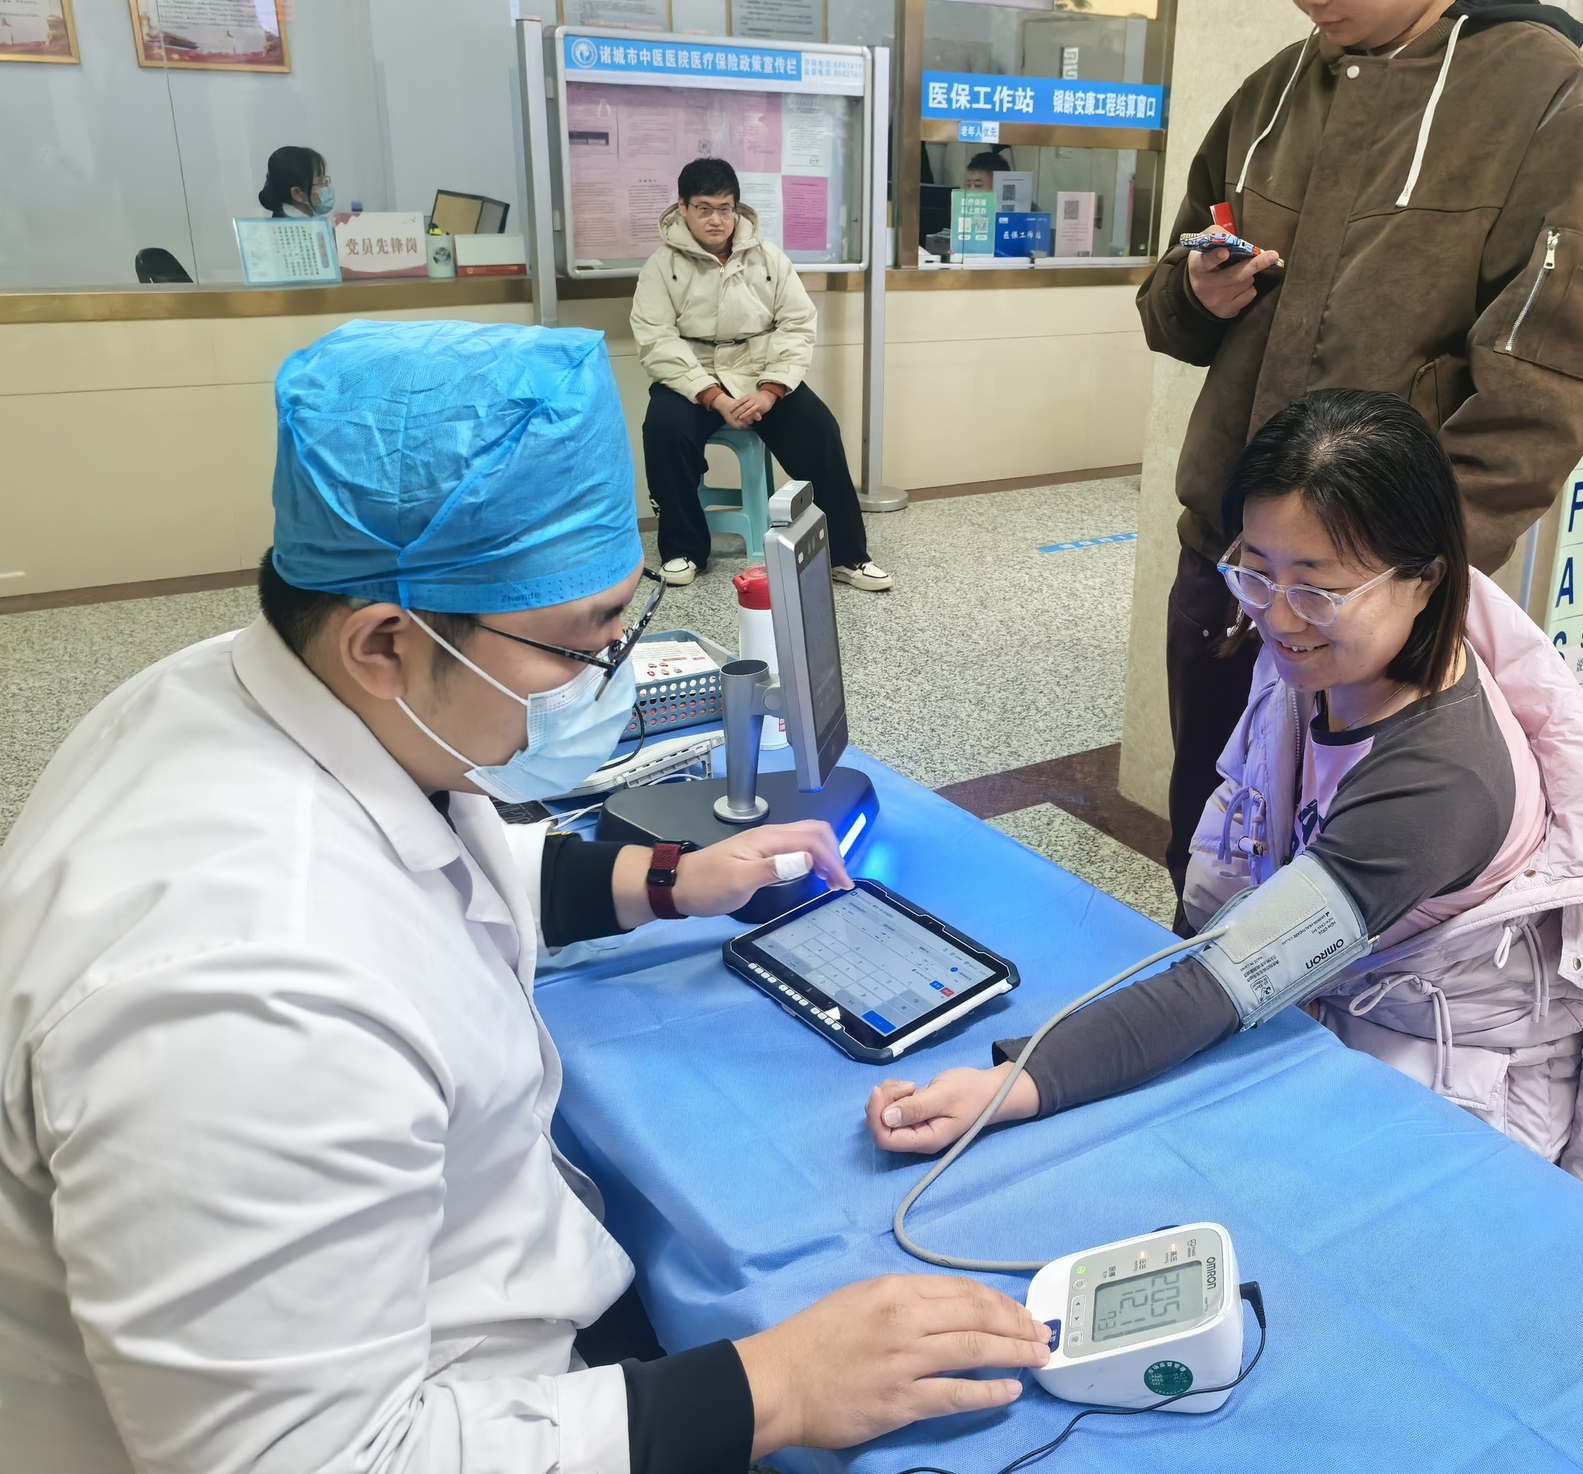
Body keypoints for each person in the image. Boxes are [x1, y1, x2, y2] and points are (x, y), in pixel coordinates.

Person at [0, 320, 1049, 1473]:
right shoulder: (245, 1008)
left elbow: (440, 861)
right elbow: (317, 1458)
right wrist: (777, 1388)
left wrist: (668, 879)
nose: (607, 676)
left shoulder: (258, 687)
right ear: (384, 643)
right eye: (577, 646)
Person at [866, 391, 1583, 1230]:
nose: (1277, 615)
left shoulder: (1435, 784)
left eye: (1316, 588)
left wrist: (1010, 1084)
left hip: (1445, 1090)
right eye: (1255, 571)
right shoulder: (1342, 651)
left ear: (1425, 580)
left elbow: (1230, 978)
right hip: (1342, 1003)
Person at [1141, 0, 1583, 922]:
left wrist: (1402, 575)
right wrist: (1195, 291)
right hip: (1229, 565)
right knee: (1209, 842)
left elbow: (1552, 384)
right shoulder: (1278, 87)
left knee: (1346, 895)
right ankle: (1199, 996)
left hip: (1373, 599)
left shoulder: (1548, 96)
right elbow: (1168, 300)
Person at [632, 157, 890, 592]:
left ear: (736, 207)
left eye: (725, 208)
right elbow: (656, 339)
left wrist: (771, 390)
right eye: (704, 208)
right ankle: (683, 549)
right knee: (663, 429)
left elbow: (797, 324)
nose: (716, 220)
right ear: (682, 207)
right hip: (694, 374)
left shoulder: (769, 257)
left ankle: (847, 555)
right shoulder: (660, 266)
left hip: (760, 371)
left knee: (820, 428)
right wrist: (712, 395)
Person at [259, 144, 331, 217]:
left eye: (324, 178)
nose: (326, 185)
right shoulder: (289, 222)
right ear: (297, 193)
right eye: (319, 181)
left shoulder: (306, 214)